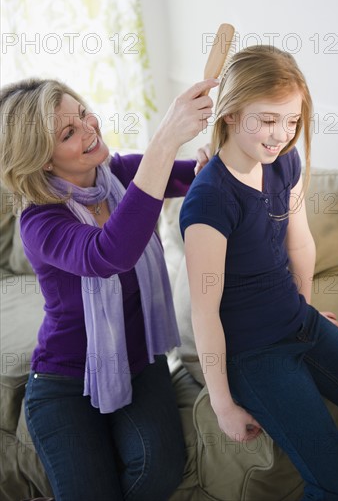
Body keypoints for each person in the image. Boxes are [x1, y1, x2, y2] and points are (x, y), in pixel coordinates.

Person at [179, 45, 338, 501]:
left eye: (292, 121)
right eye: (265, 120)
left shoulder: (285, 162)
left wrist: (307, 311)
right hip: (253, 353)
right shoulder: (208, 201)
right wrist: (222, 404)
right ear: (229, 114)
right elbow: (204, 313)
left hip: (300, 324)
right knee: (334, 485)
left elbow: (298, 243)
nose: (280, 134)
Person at [0, 76, 218, 501]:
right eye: (68, 132)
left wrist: (208, 167)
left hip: (140, 361)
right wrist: (166, 138)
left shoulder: (117, 173)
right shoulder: (40, 222)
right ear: (42, 160)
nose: (89, 127)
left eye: (82, 113)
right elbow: (108, 254)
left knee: (160, 468)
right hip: (64, 381)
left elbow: (190, 179)